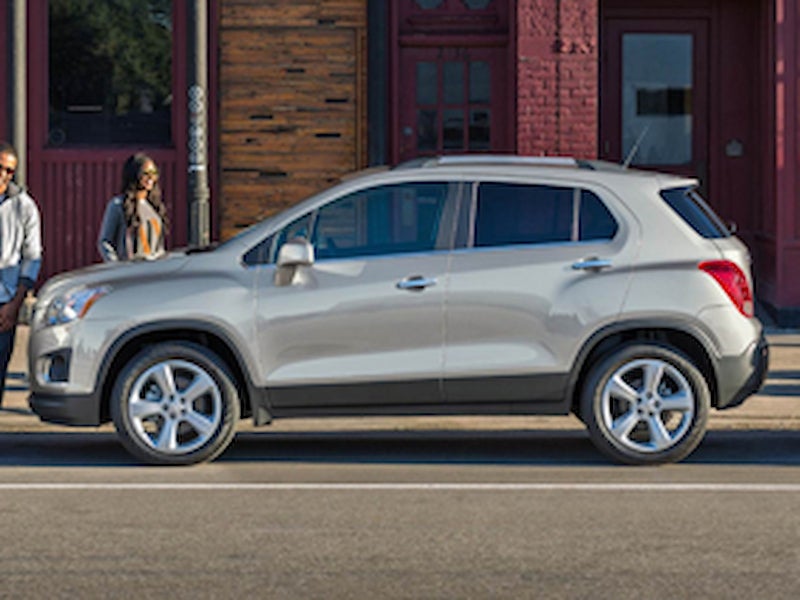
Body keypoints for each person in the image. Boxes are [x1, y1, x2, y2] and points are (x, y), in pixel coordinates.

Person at [0, 141, 42, 408]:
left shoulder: (24, 207)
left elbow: (32, 256)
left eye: (9, 170)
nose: (4, 175)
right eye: (0, 168)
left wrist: (15, 305)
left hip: (5, 302)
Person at [97, 153, 168, 262]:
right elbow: (105, 242)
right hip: (130, 269)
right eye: (145, 173)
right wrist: (116, 266)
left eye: (154, 173)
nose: (151, 177)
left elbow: (159, 247)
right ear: (134, 174)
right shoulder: (118, 206)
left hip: (155, 270)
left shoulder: (155, 207)